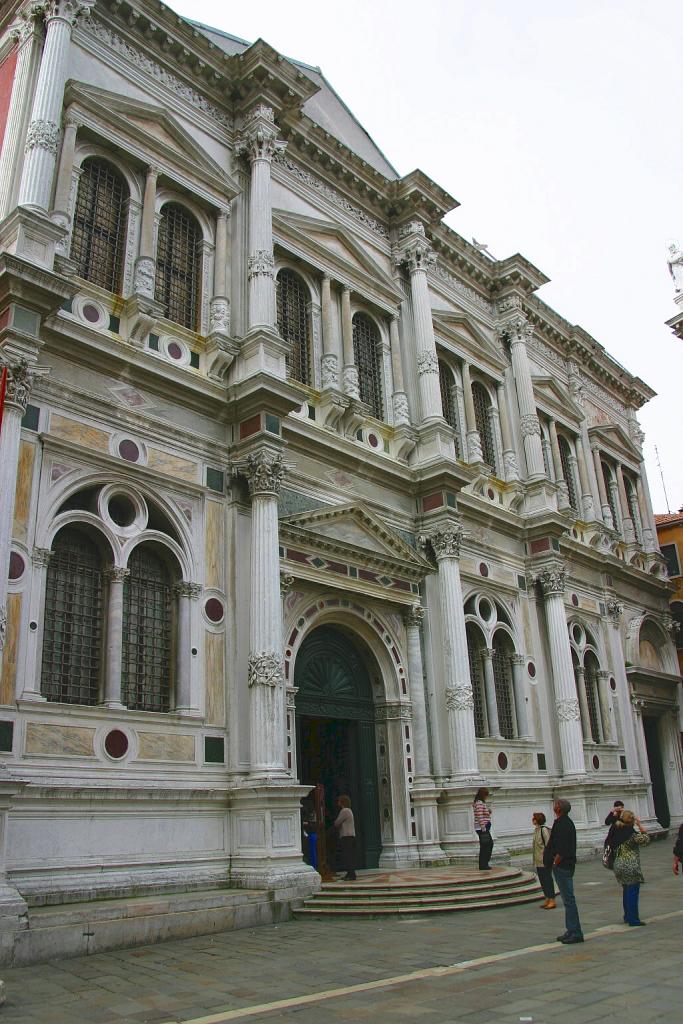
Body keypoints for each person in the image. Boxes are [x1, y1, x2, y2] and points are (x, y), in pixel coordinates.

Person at [544, 798, 583, 944]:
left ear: (559, 809)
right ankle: (571, 930)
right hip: (565, 865)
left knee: (569, 900)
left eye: (555, 806)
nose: (554, 807)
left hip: (563, 866)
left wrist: (555, 862)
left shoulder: (563, 825)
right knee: (567, 900)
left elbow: (562, 847)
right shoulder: (565, 822)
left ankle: (576, 932)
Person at [612, 810, 649, 926]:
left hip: (618, 864)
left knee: (626, 890)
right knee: (632, 891)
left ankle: (627, 915)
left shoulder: (615, 830)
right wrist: (640, 826)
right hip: (630, 865)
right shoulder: (631, 834)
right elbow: (645, 840)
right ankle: (633, 919)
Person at [531, 812, 556, 909]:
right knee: (542, 880)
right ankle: (547, 898)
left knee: (547, 879)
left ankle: (552, 899)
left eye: (534, 818)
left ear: (537, 820)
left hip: (545, 859)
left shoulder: (543, 830)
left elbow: (548, 844)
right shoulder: (536, 830)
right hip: (538, 860)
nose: (532, 820)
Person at [334, 795, 356, 881]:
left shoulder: (344, 811)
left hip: (346, 836)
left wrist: (334, 822)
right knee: (349, 855)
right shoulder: (349, 810)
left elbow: (337, 822)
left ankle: (351, 874)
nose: (338, 803)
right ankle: (350, 873)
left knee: (347, 856)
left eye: (339, 801)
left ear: (342, 802)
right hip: (350, 836)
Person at [473, 788, 493, 870]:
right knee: (487, 845)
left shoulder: (479, 803)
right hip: (482, 827)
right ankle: (484, 863)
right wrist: (483, 828)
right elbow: (479, 816)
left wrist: (488, 811)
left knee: (485, 845)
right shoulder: (479, 803)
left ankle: (484, 863)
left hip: (482, 826)